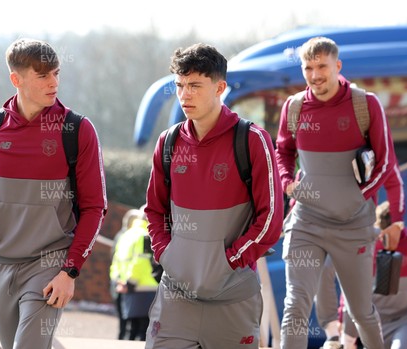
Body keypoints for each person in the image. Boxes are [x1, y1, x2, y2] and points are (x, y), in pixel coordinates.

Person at [0, 38, 107, 349]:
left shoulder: (77, 130)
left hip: (49, 262)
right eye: (42, 75)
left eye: (56, 72)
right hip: (0, 263)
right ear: (17, 79)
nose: (53, 82)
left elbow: (94, 207)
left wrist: (70, 269)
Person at [143, 43, 283, 349]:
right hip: (175, 300)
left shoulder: (252, 140)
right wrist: (166, 254)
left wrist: (229, 261)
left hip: (232, 301)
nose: (184, 95)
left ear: (219, 87)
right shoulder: (168, 142)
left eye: (195, 85)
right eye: (179, 85)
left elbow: (271, 217)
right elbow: (154, 210)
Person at [275, 36, 399, 349]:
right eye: (308, 68)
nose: (315, 75)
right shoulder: (294, 107)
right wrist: (287, 180)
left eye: (322, 66)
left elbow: (385, 163)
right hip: (306, 222)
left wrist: (358, 198)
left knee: (361, 312)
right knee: (295, 306)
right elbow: (282, 151)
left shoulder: (365, 104)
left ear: (337, 66)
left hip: (353, 224)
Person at [314, 163, 406, 349]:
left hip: (360, 228)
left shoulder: (373, 143)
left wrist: (397, 223)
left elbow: (394, 180)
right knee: (323, 270)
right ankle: (333, 336)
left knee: (354, 287)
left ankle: (348, 342)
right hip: (332, 224)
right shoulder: (328, 153)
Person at [340, 201, 407, 349]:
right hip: (372, 318)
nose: (386, 242)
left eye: (390, 236)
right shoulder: (367, 244)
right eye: (382, 236)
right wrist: (342, 318)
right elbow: (350, 284)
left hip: (405, 318)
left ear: (399, 227)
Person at [109, 208, 158, 341]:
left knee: (129, 331)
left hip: (125, 288)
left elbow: (116, 261)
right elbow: (140, 263)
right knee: (144, 333)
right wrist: (130, 282)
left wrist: (119, 281)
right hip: (145, 290)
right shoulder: (145, 236)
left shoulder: (125, 235)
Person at [110, 208, 143, 340]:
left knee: (124, 323)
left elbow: (114, 258)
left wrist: (115, 279)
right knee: (132, 325)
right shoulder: (134, 236)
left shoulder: (121, 236)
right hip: (128, 283)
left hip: (119, 282)